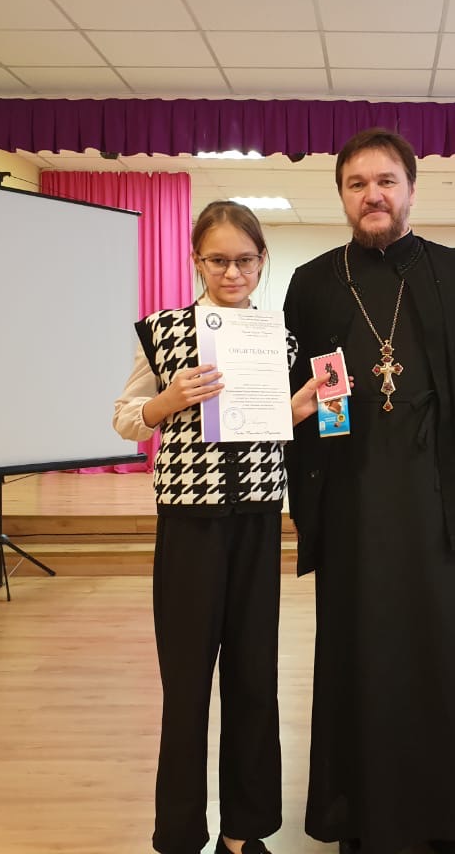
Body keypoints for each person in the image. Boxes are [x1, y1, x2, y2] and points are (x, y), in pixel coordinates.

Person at [282, 128, 455, 854]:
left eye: (386, 181)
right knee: (361, 652)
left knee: (447, 652)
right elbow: (293, 395)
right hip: (351, 495)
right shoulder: (313, 283)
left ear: (411, 189)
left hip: (441, 491)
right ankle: (362, 815)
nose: (373, 195)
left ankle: (449, 817)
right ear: (342, 196)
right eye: (357, 184)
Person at [113, 201, 325, 854]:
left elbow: (270, 423)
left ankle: (243, 831)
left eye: (245, 260)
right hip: (189, 525)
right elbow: (124, 418)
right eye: (218, 260)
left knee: (254, 678)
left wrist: (300, 409)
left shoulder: (280, 337)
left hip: (258, 520)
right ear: (196, 261)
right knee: (185, 684)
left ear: (262, 261)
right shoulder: (163, 330)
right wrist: (166, 402)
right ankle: (179, 833)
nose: (232, 273)